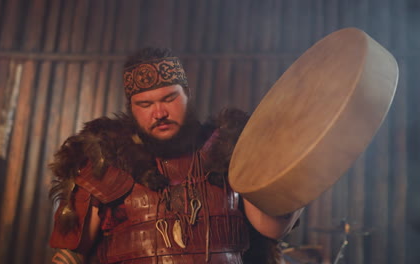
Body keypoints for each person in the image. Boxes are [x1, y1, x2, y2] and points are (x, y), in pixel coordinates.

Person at [49, 47, 303, 264]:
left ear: (187, 95)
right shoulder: (107, 160)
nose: (159, 113)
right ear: (131, 109)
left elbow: (272, 227)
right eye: (145, 104)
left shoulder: (227, 150)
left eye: (169, 98)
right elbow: (72, 252)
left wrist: (301, 172)